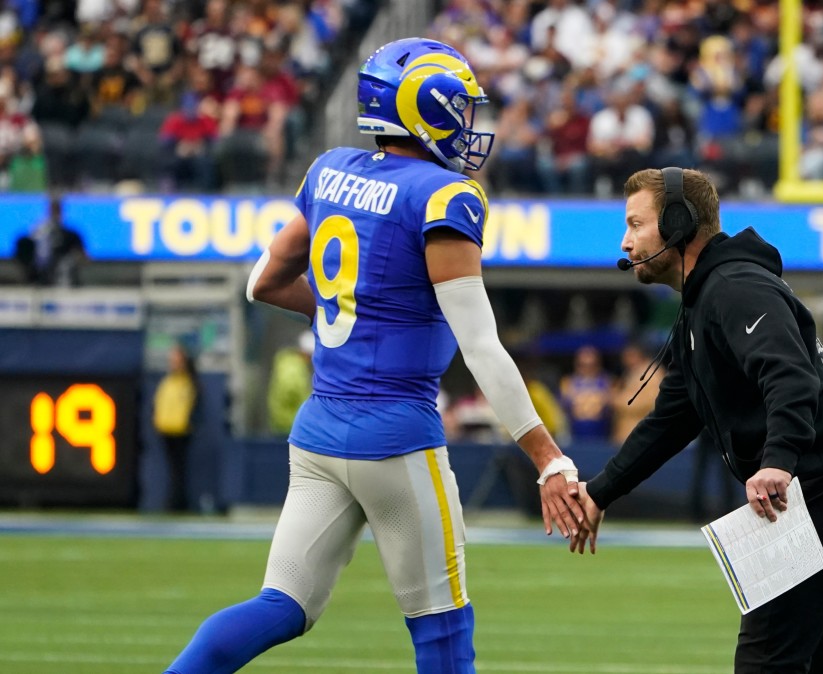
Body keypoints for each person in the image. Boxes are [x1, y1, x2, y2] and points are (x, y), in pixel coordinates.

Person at [163, 38, 583, 674]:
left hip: (318, 436)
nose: (469, 124)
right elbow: (481, 346)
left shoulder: (330, 169)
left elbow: (264, 283)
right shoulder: (445, 197)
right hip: (397, 441)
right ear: (426, 109)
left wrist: (344, 314)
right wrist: (548, 458)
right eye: (460, 108)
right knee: (443, 637)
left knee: (280, 606)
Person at [571, 167, 823, 673]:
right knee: (821, 661)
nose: (626, 240)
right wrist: (600, 492)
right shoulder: (705, 302)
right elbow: (672, 420)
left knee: (767, 663)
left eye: (636, 224)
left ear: (679, 223)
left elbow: (790, 377)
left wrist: (778, 461)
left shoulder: (734, 286)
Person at [152, 343, 199, 512]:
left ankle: (178, 503)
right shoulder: (168, 382)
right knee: (172, 470)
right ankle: (173, 502)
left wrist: (185, 423)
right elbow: (160, 404)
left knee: (179, 470)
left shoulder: (188, 383)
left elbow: (191, 406)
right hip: (166, 431)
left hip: (181, 432)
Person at [14, 195, 86, 286]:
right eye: (53, 210)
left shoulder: (71, 235)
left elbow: (84, 258)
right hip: (40, 278)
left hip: (65, 279)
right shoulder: (38, 233)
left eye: (57, 210)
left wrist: (73, 259)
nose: (55, 213)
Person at [266, 331, 314, 435]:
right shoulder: (293, 367)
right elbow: (290, 389)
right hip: (288, 424)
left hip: (286, 422)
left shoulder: (291, 363)